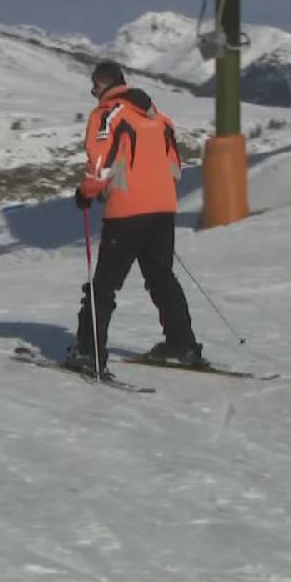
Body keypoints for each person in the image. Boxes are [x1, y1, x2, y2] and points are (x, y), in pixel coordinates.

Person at [70, 61, 200, 373]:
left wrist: (87, 193)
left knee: (104, 285)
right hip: (163, 209)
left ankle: (89, 353)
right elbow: (175, 167)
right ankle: (182, 345)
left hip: (127, 211)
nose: (93, 94)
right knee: (161, 277)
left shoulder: (108, 114)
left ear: (101, 85)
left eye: (93, 88)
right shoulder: (159, 117)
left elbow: (100, 163)